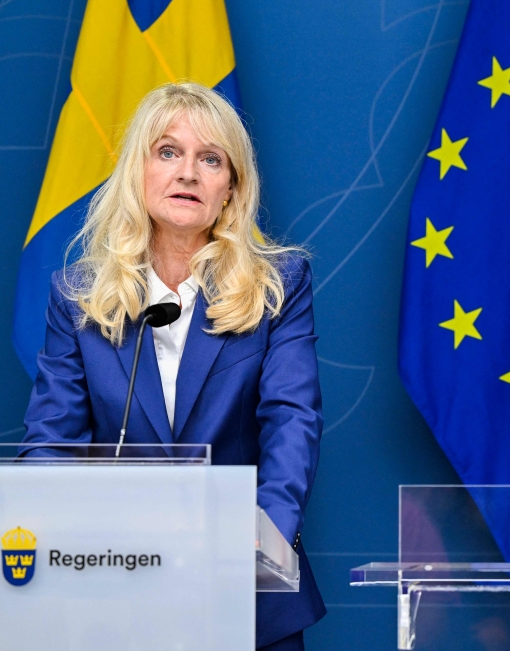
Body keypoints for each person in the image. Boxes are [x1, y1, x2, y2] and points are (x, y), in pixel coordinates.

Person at [21, 82, 326, 650]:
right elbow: (50, 443)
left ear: (230, 189)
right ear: (138, 172)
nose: (188, 172)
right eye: (168, 152)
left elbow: (292, 423)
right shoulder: (79, 297)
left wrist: (263, 547)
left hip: (246, 588)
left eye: (210, 159)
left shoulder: (277, 286)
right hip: (116, 594)